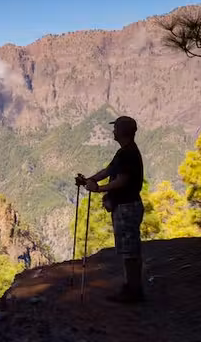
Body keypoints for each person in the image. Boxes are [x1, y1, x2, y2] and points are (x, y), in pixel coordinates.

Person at [75, 115, 145, 303]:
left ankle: (133, 292)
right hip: (127, 206)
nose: (113, 132)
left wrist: (98, 189)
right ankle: (131, 288)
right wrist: (89, 180)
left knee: (129, 251)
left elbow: (122, 180)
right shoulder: (125, 152)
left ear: (122, 132)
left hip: (126, 207)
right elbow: (108, 171)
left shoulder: (127, 154)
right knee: (128, 249)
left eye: (115, 129)